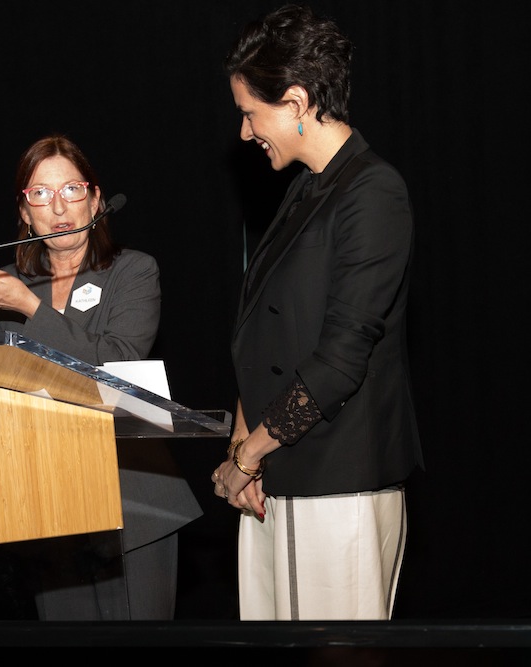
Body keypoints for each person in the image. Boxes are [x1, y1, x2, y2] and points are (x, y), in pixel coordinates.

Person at [211, 4, 424, 621]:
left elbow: (340, 359)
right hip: (275, 472)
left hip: (339, 482)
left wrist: (247, 456)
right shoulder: (306, 188)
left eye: (251, 113)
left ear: (297, 101)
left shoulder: (374, 192)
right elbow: (259, 333)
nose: (247, 132)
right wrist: (243, 447)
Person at [0, 134, 202, 620]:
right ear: (24, 211)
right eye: (40, 194)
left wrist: (27, 307)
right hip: (50, 502)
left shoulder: (132, 271)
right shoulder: (9, 284)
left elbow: (117, 365)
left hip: (133, 500)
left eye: (72, 190)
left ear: (96, 199)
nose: (58, 208)